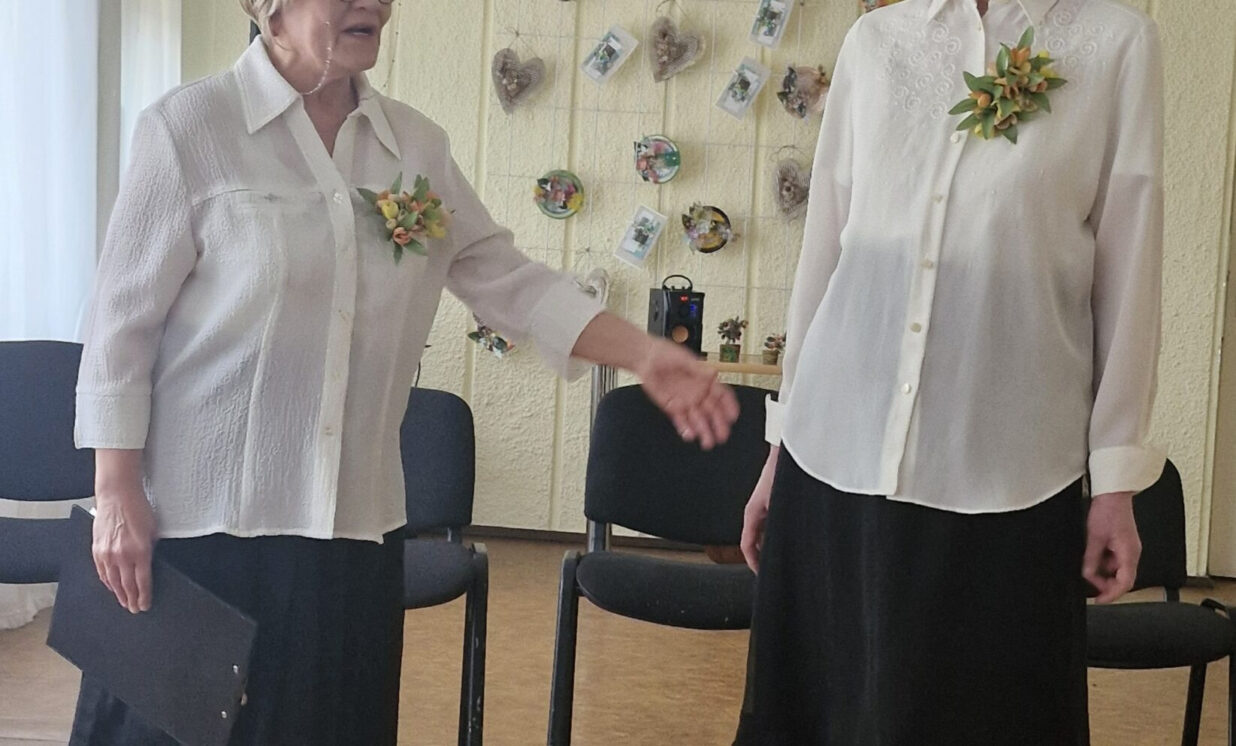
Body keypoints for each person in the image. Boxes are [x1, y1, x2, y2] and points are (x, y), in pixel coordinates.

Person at [70, 0, 739, 743]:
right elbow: (119, 327)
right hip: (202, 530)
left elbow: (510, 281)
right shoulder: (189, 128)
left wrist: (644, 352)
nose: (375, 4)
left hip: (352, 531)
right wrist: (116, 490)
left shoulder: (415, 147)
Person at [735, 0, 1163, 743]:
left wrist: (1116, 478)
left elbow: (1130, 271)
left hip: (1007, 467)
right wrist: (781, 446)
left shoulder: (1118, 44)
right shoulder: (876, 40)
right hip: (836, 450)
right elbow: (826, 250)